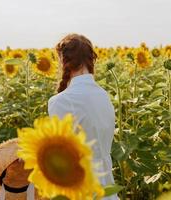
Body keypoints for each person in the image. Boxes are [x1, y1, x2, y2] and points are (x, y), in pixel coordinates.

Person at [48, 33, 119, 200]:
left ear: (62, 61)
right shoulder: (104, 96)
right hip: (108, 190)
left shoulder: (60, 101)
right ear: (91, 60)